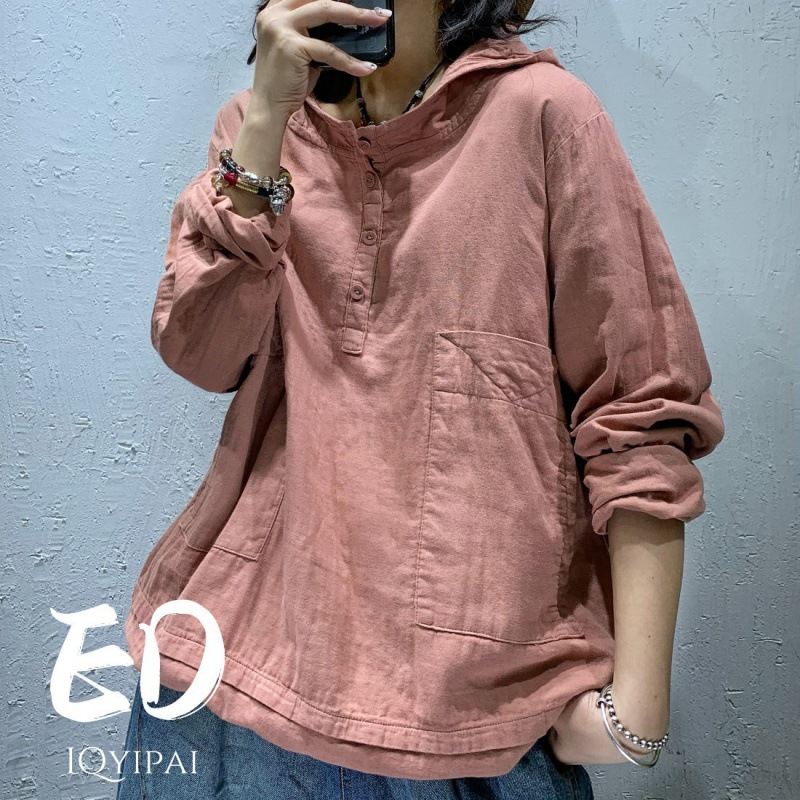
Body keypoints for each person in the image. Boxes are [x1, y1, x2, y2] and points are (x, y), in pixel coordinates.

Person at [117, 0, 726, 797]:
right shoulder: (258, 132)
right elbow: (201, 353)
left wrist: (637, 712)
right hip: (230, 679)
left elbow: (639, 411)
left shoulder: (541, 114)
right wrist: (265, 118)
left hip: (474, 715)